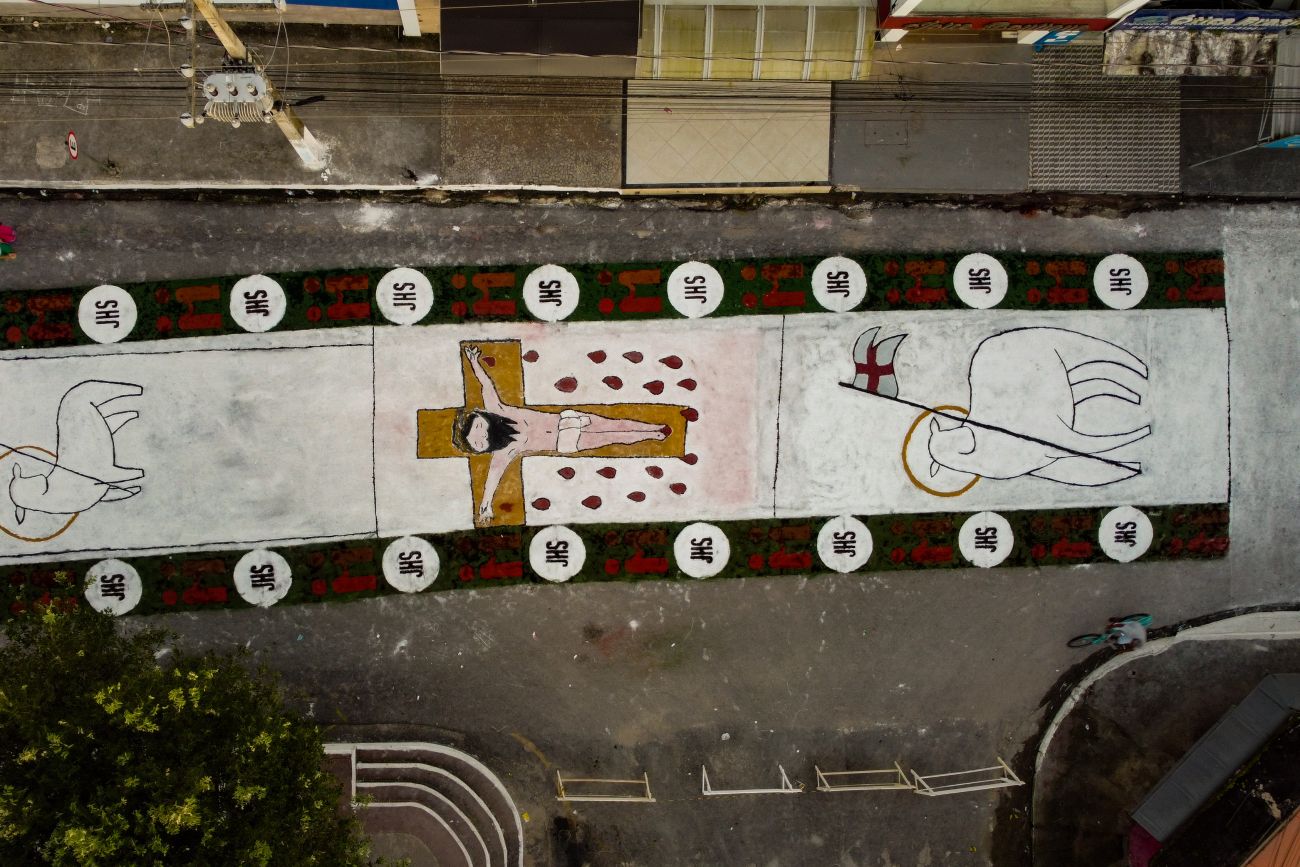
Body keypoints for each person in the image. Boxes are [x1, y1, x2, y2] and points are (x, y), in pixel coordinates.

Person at [452, 345, 669, 522]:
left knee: (615, 425)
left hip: (567, 420)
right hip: (565, 440)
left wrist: (474, 361)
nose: (483, 436)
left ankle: (652, 428)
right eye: (478, 443)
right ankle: (652, 435)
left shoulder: (498, 410)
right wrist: (485, 506)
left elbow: (486, 386)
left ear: (481, 416)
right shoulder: (503, 453)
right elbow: (492, 480)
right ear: (481, 450)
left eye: (478, 428)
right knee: (613, 436)